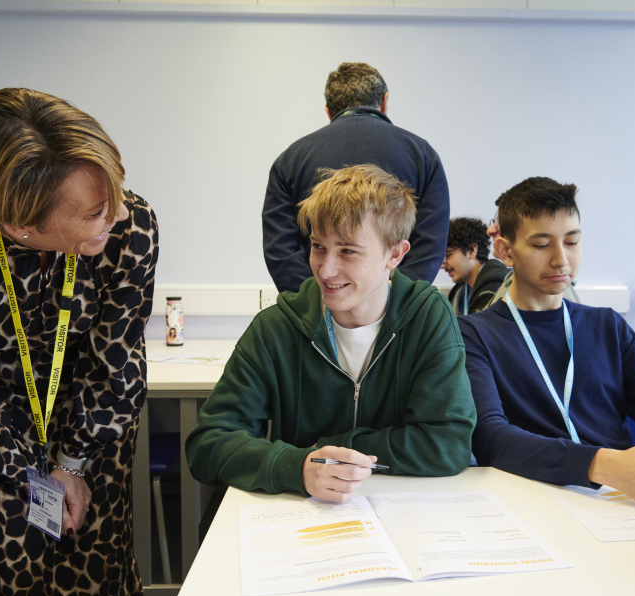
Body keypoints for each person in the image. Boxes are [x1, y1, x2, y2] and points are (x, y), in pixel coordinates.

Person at [0, 88, 159, 596]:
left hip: (93, 418)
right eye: (96, 212)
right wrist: (27, 473)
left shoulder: (132, 227)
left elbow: (116, 359)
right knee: (20, 582)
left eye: (117, 190)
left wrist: (72, 462)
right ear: (20, 226)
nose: (120, 213)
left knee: (101, 573)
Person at [188, 165, 475, 502]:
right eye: (318, 247)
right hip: (301, 515)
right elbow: (208, 444)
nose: (326, 270)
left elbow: (449, 444)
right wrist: (297, 467)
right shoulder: (276, 328)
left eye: (348, 251)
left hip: (401, 511)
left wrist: (331, 449)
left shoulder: (428, 319)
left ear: (395, 254)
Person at [459, 177, 635, 512]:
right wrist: (605, 465)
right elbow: (490, 437)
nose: (561, 259)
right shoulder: (473, 334)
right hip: (531, 501)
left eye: (572, 241)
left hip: (620, 500)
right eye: (541, 245)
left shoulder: (608, 326)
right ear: (505, 251)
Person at [262, 62, 450, 293]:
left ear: (329, 112)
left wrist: (313, 301)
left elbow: (280, 247)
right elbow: (430, 243)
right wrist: (399, 301)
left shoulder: (290, 159)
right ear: (384, 102)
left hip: (318, 299)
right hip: (397, 306)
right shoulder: (423, 155)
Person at [485, 199, 580, 306]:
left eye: (571, 242)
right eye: (542, 245)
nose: (490, 230)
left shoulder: (553, 291)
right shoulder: (512, 282)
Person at [442, 217, 510, 316]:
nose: (442, 265)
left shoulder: (497, 288)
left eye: (448, 255)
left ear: (471, 250)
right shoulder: (458, 292)